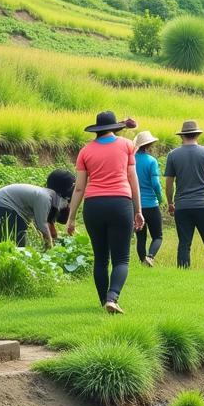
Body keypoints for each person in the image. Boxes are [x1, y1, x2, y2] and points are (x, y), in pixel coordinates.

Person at [66, 111, 144, 314]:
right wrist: (138, 210)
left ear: (96, 129)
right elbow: (132, 180)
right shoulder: (126, 145)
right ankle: (112, 298)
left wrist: (71, 217)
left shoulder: (85, 151)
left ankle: (104, 302)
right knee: (121, 259)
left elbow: (79, 188)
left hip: (93, 206)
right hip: (120, 204)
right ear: (114, 127)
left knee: (100, 258)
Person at [163, 119, 204, 273]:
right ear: (197, 135)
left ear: (182, 136)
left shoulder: (173, 155)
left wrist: (170, 203)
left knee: (184, 243)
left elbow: (169, 183)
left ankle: (183, 276)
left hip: (182, 206)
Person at [0, 169, 75, 249]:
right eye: (65, 202)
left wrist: (54, 238)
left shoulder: (47, 195)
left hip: (2, 202)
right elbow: (42, 224)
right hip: (3, 203)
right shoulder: (45, 198)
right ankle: (11, 255)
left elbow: (48, 222)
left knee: (12, 233)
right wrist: (50, 244)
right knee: (17, 232)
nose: (65, 205)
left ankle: (4, 253)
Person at [132, 130, 163, 267]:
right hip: (151, 204)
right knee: (157, 236)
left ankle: (142, 262)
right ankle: (150, 256)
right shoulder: (151, 161)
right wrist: (160, 198)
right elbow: (156, 184)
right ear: (150, 144)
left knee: (141, 237)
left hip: (136, 205)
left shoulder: (131, 160)